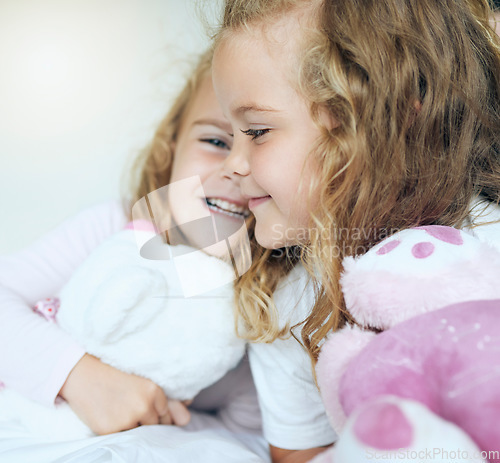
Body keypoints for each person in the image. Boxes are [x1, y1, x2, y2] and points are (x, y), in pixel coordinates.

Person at [211, 0, 500, 461]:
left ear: (382, 118)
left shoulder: (487, 247)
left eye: (258, 131)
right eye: (229, 136)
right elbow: (300, 452)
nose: (232, 164)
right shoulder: (287, 304)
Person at [0, 48, 281, 452]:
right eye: (217, 140)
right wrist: (80, 377)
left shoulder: (269, 295)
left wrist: (161, 419)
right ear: (171, 150)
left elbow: (246, 426)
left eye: (261, 143)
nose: (237, 168)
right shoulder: (112, 229)